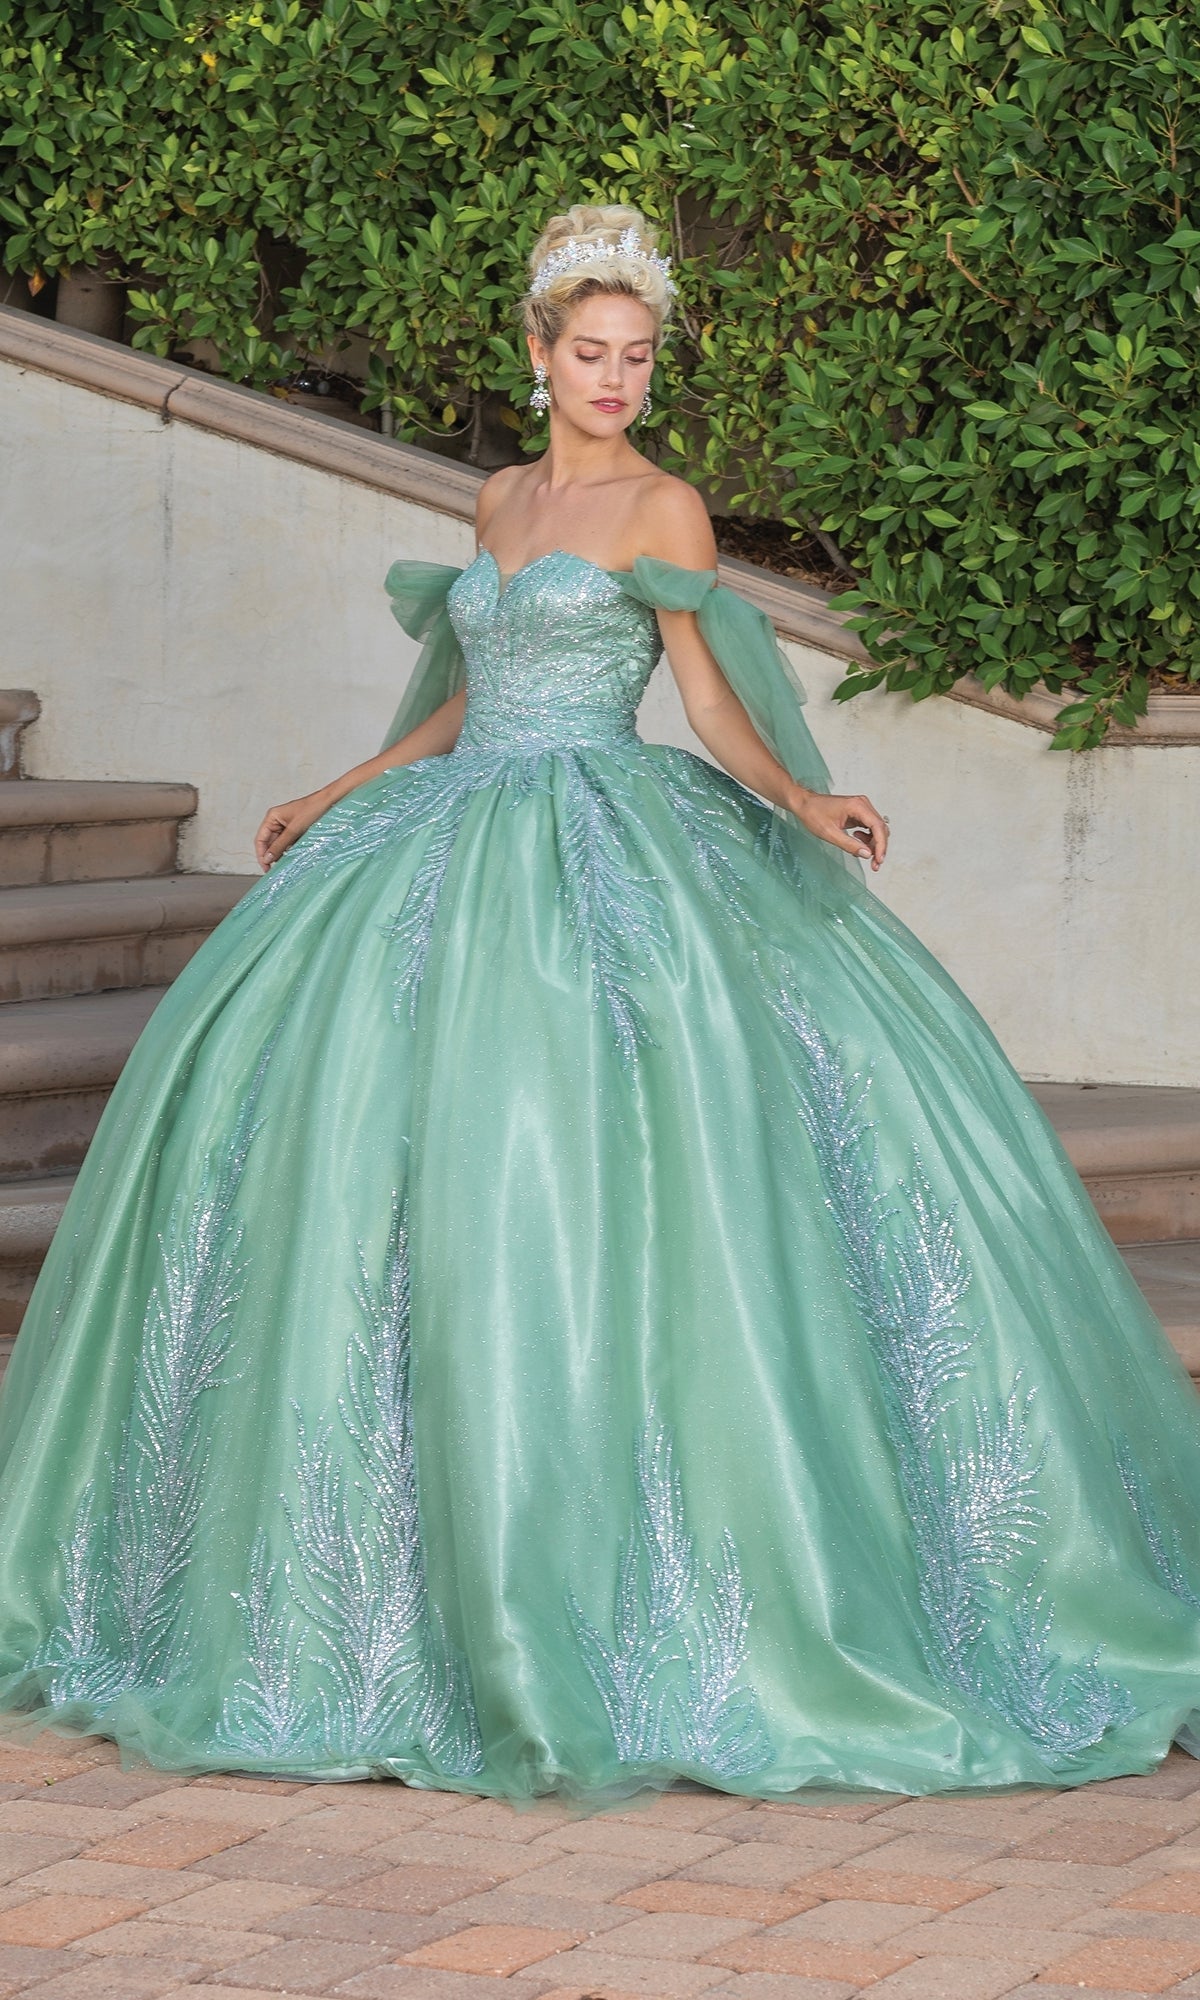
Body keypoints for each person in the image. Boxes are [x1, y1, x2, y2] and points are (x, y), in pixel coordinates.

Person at [0, 203, 1197, 1806]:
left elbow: (706, 700)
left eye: (638, 357)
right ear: (539, 351)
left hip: (605, 845)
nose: (617, 379)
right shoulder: (498, 497)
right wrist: (340, 788)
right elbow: (457, 699)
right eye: (591, 353)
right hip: (451, 834)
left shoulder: (664, 508)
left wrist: (800, 799)